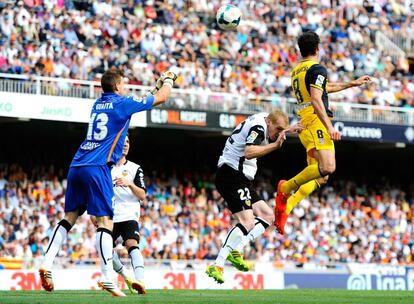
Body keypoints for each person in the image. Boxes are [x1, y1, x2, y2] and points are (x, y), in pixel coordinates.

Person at [38, 68, 177, 297]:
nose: (126, 87)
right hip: (98, 166)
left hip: (78, 163)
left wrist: (157, 83)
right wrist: (169, 81)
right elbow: (161, 98)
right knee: (105, 222)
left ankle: (46, 262)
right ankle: (107, 276)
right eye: (124, 84)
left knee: (69, 217)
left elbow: (138, 103)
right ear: (117, 86)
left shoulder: (98, 104)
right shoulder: (122, 104)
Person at [274, 31, 371, 235]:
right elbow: (318, 99)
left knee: (320, 176)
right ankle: (284, 190)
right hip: (315, 121)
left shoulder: (298, 70)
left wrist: (351, 84)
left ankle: (286, 208)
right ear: (318, 49)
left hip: (305, 120)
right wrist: (329, 126)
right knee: (328, 167)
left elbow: (323, 89)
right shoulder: (318, 68)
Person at [206, 110, 302, 284]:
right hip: (232, 174)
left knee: (268, 216)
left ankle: (237, 249)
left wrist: (287, 130)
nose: (277, 133)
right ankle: (217, 264)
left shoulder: (265, 119)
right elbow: (249, 152)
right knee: (248, 222)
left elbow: (275, 122)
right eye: (277, 129)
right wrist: (275, 146)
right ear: (269, 123)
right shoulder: (259, 127)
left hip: (239, 177)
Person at [110, 134, 147, 295]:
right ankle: (126, 275)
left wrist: (129, 184)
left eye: (128, 142)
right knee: (105, 251)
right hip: (109, 216)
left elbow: (142, 195)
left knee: (132, 244)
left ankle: (140, 282)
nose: (125, 145)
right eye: (122, 142)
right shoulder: (107, 168)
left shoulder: (135, 168)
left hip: (129, 215)